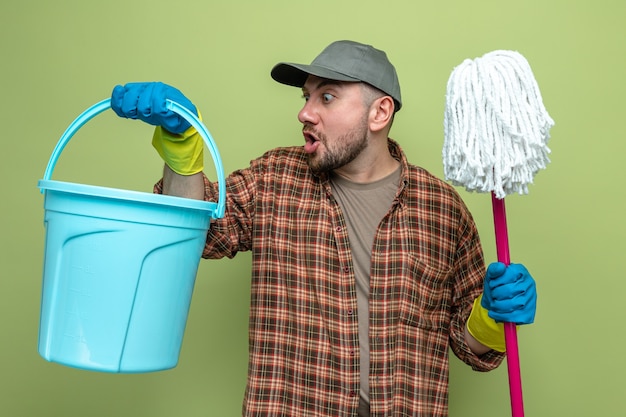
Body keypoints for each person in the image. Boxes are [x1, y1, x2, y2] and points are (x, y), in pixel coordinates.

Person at [111, 40, 537, 417]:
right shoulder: (274, 177)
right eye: (306, 96)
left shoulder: (443, 209)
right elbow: (195, 230)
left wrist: (491, 318)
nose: (304, 113)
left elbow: (469, 347)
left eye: (327, 97)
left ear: (380, 112)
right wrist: (183, 147)